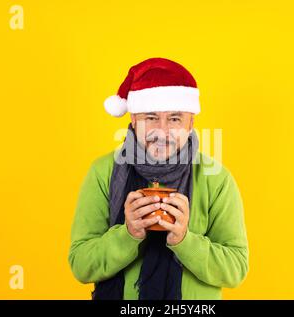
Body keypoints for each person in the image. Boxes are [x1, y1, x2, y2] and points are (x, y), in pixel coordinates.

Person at [68, 57, 249, 300]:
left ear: (191, 122)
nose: (161, 131)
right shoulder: (103, 172)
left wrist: (185, 240)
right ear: (133, 119)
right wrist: (128, 234)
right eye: (150, 117)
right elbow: (81, 265)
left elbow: (235, 269)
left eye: (175, 119)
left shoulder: (216, 178)